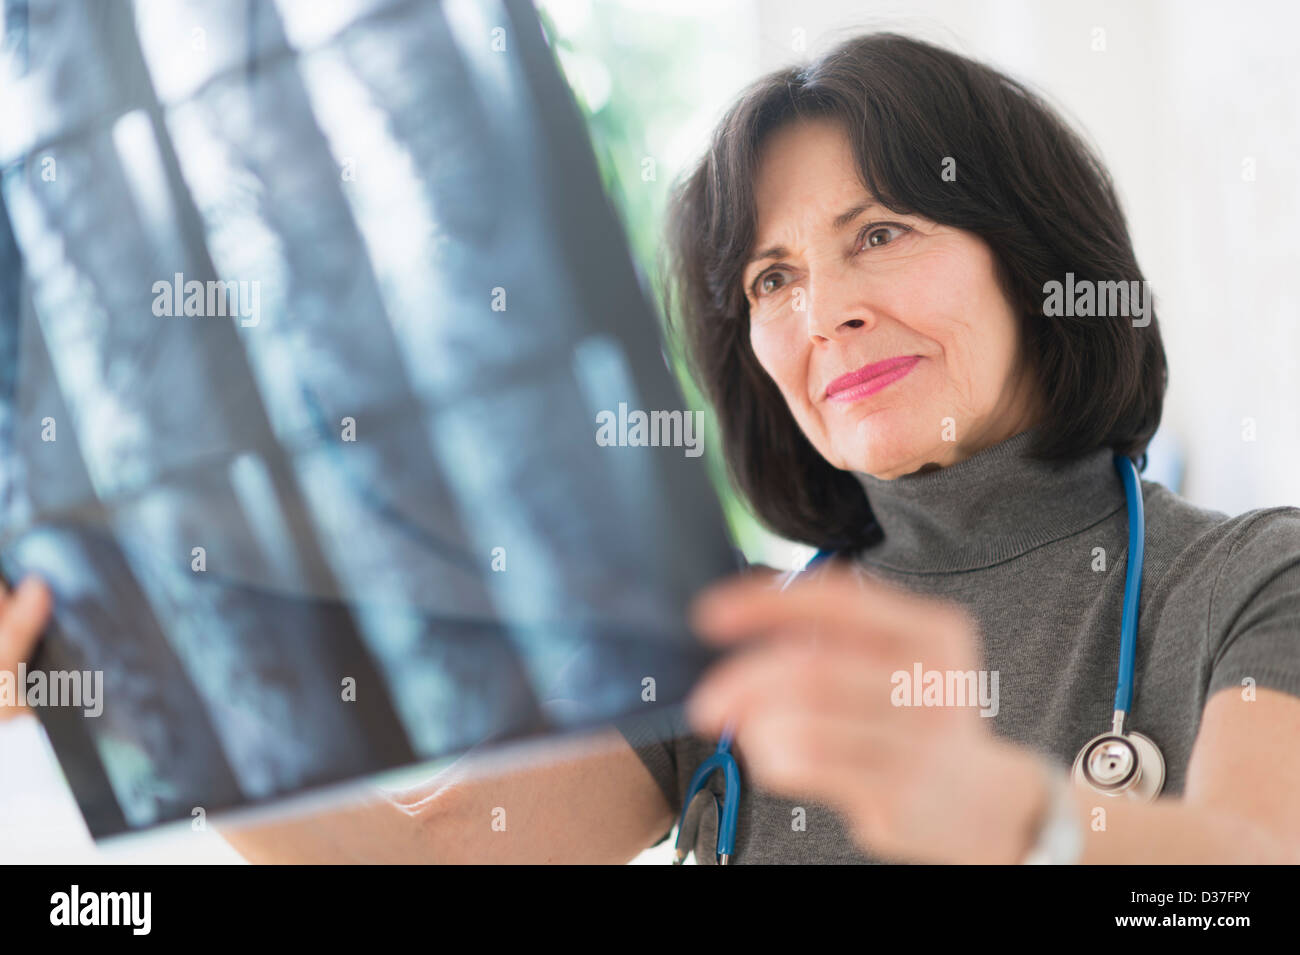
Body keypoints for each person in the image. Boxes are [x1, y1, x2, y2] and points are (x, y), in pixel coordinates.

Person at [3, 32, 1298, 864]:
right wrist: (126, 675)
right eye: (771, 277)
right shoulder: (731, 645)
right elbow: (434, 861)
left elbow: (1248, 860)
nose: (823, 310)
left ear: (1039, 260)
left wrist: (1017, 821)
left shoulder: (1250, 583)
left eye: (882, 232)